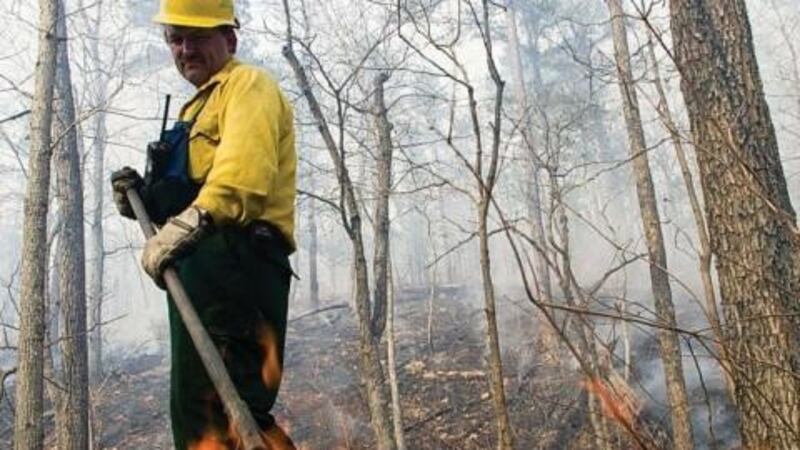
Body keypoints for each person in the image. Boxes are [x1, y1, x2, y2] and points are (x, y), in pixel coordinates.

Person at [110, 1, 297, 448]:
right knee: (199, 413)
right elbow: (190, 196)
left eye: (197, 37)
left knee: (229, 414)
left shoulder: (248, 86)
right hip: (200, 268)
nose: (185, 49)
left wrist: (188, 223)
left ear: (229, 39)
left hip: (236, 261)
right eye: (176, 38)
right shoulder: (195, 109)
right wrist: (143, 200)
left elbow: (241, 179)